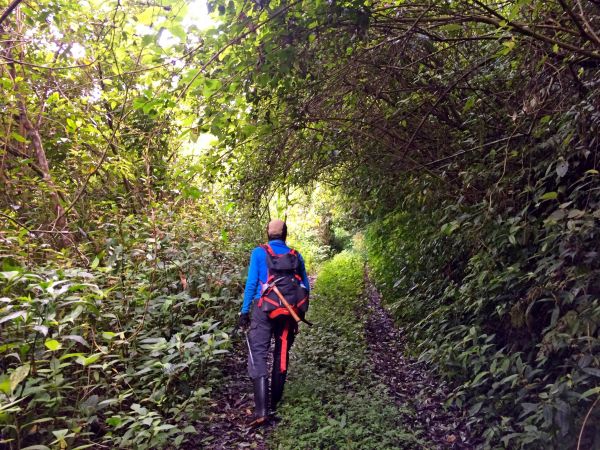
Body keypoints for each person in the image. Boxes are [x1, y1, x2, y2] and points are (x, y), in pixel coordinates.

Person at [238, 219, 310, 426]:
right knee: (281, 354)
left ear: (268, 234)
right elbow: (305, 286)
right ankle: (275, 405)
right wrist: (299, 311)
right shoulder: (296, 255)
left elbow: (252, 283)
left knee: (258, 354)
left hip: (263, 310)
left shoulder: (259, 253)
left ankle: (262, 411)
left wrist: (244, 312)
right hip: (288, 312)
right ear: (285, 234)